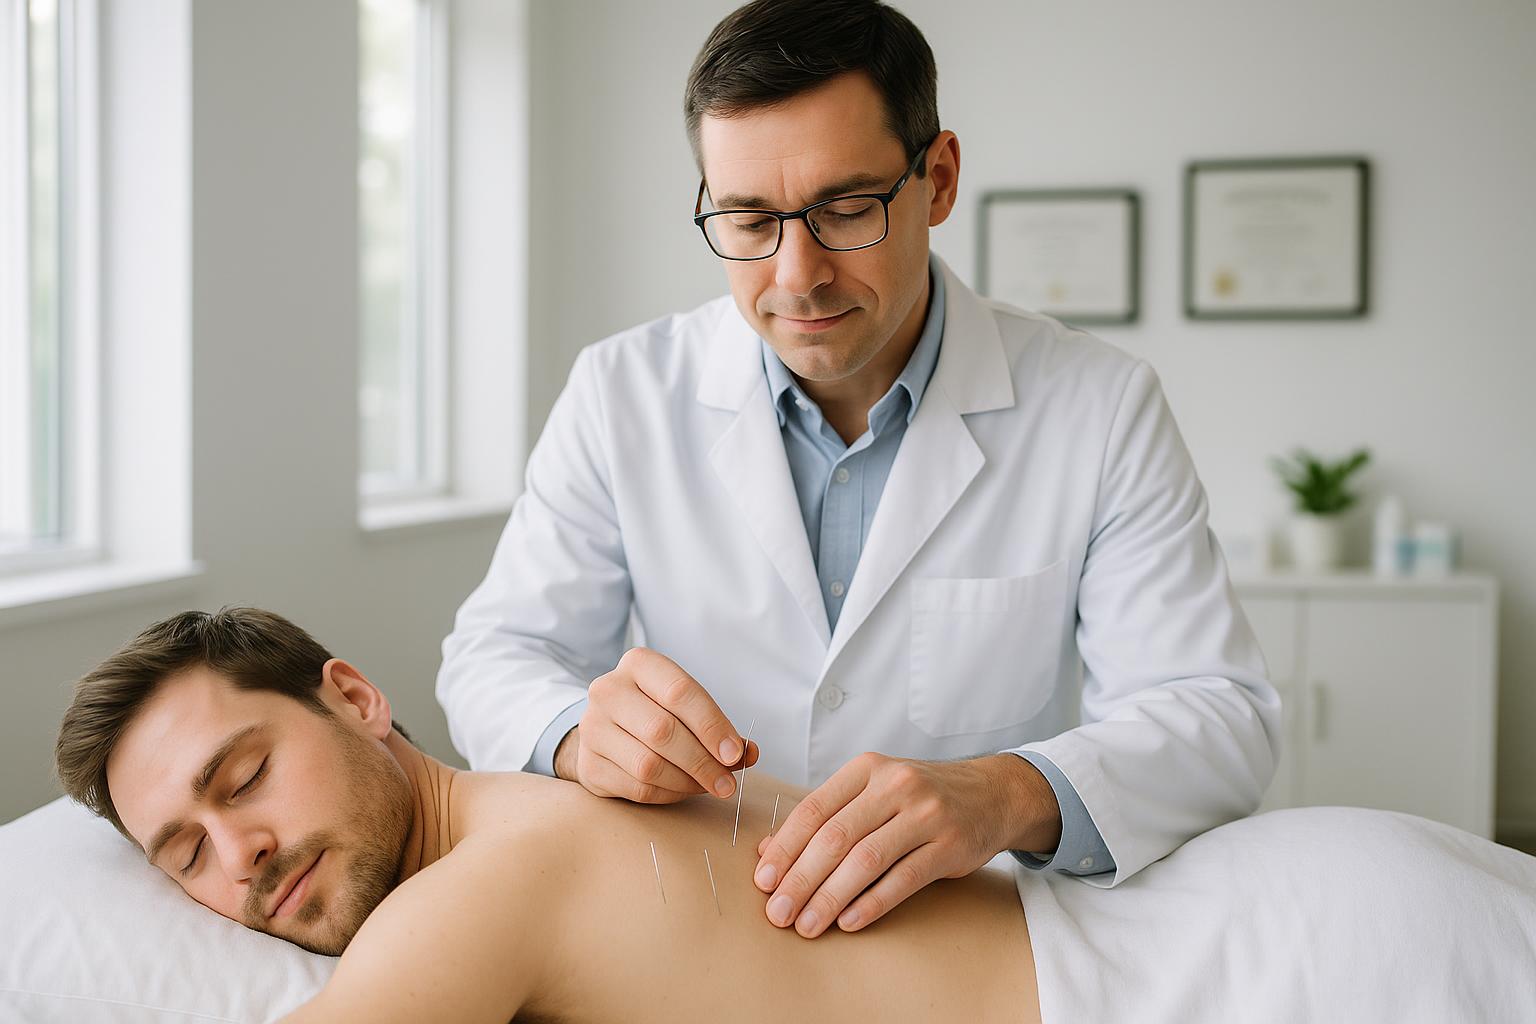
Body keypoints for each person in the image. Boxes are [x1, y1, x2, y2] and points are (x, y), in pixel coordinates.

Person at [437, 0, 1281, 942]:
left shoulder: (1099, 405)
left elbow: (1217, 714)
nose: (798, 275)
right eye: (750, 220)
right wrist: (576, 735)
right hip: (698, 925)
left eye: (846, 210)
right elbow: (494, 657)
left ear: (941, 179)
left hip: (974, 935)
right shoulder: (621, 392)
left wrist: (1006, 793)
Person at [56, 608, 1041, 1023]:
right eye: (186, 853)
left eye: (244, 778)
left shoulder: (481, 885)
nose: (241, 854)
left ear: (357, 699)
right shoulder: (528, 823)